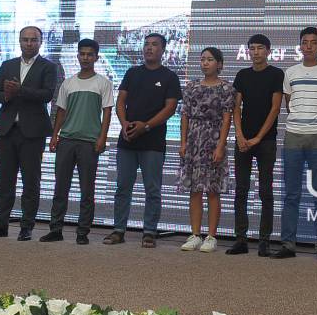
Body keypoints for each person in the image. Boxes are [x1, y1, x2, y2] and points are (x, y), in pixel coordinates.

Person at [0, 26, 57, 241]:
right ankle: (0, 225)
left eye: (33, 40)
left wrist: (20, 90)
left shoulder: (48, 67)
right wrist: (7, 95)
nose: (29, 43)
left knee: (31, 182)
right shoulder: (8, 65)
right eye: (25, 39)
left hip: (32, 133)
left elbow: (47, 95)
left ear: (40, 42)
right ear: (19, 41)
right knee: (5, 182)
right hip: (6, 131)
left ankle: (26, 226)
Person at [272, 27, 317, 262]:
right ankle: (288, 244)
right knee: (291, 194)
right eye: (305, 42)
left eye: (313, 42)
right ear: (300, 46)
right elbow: (289, 105)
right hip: (293, 136)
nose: (309, 46)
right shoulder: (290, 72)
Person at [106, 33, 181, 248]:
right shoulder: (132, 73)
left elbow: (170, 108)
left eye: (154, 45)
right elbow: (121, 101)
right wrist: (124, 124)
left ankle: (149, 232)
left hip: (153, 142)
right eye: (146, 44)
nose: (149, 48)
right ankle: (118, 230)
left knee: (152, 189)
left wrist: (146, 126)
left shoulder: (169, 77)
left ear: (163, 50)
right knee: (122, 187)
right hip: (128, 139)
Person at [41, 39, 113, 245]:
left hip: (89, 143)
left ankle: (82, 232)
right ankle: (56, 229)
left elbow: (107, 113)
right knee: (60, 188)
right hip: (66, 141)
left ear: (96, 57)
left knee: (87, 190)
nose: (85, 58)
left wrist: (102, 138)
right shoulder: (68, 83)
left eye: (90, 54)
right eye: (82, 54)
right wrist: (55, 135)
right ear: (78, 56)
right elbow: (61, 112)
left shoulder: (103, 83)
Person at [228, 34, 284, 256]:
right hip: (243, 140)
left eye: (260, 48)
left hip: (266, 141)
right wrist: (240, 135)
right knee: (241, 190)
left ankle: (264, 241)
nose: (256, 52)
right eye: (252, 48)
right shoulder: (242, 75)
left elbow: (275, 108)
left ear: (268, 51)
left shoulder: (276, 74)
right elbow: (236, 107)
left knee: (265, 191)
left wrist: (258, 137)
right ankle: (240, 240)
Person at [178, 48, 234, 253]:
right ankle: (195, 235)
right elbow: (185, 115)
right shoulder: (191, 86)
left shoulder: (226, 88)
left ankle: (211, 236)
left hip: (213, 140)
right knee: (194, 189)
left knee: (212, 189)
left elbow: (227, 119)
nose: (205, 63)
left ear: (219, 64)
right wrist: (183, 143)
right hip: (194, 140)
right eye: (202, 59)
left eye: (210, 59)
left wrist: (220, 146)